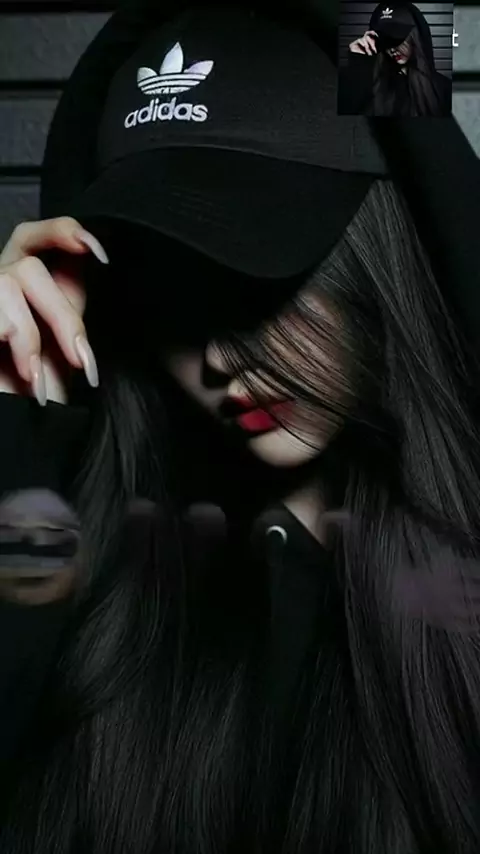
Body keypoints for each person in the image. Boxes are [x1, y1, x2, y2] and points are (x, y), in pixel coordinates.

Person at [0, 1, 480, 852]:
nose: (219, 359)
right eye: (170, 293)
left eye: (257, 278)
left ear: (383, 254)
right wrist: (20, 420)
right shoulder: (105, 600)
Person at [339, 1, 452, 116]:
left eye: (397, 39)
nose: (392, 49)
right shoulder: (371, 86)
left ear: (415, 37)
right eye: (385, 41)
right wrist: (358, 63)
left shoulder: (443, 89)